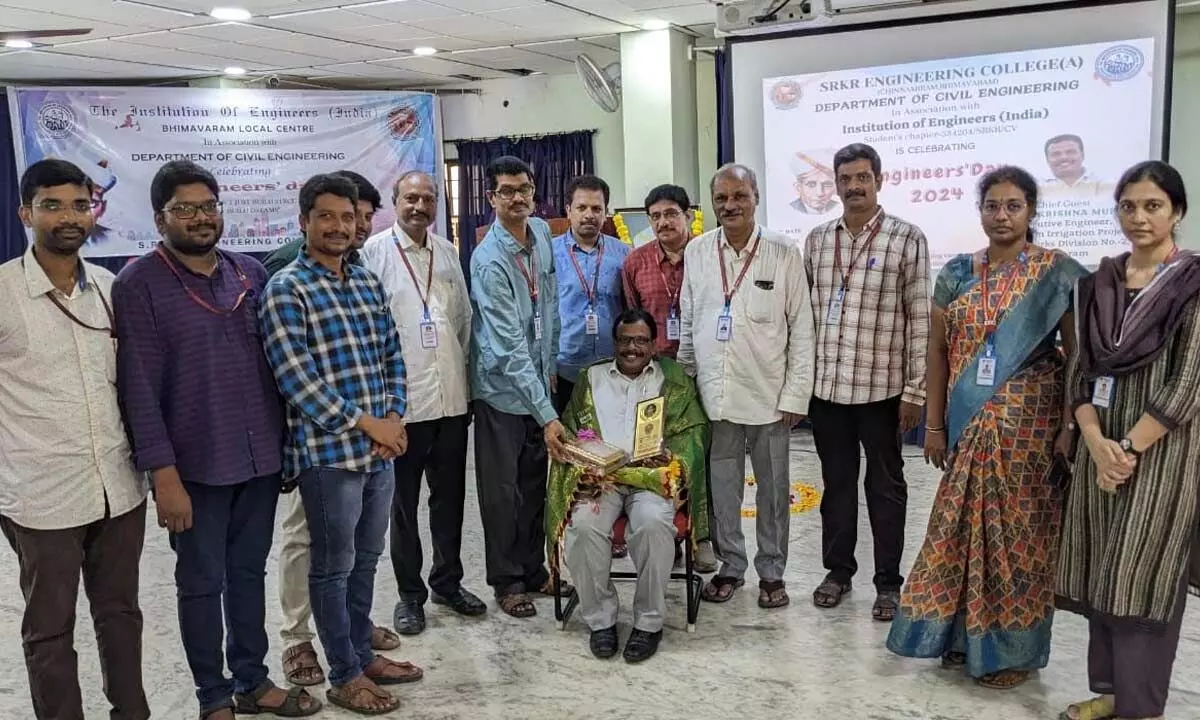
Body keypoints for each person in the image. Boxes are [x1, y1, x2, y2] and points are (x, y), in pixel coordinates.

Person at [112, 160, 317, 719]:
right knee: (201, 584)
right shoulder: (139, 284)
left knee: (249, 574)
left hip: (258, 460)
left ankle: (253, 680)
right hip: (195, 469)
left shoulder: (248, 273)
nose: (201, 218)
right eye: (186, 209)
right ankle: (213, 695)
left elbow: (279, 368)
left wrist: (287, 452)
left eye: (209, 206)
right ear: (161, 217)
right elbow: (138, 388)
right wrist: (163, 475)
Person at [885, 166, 1087, 689]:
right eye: (992, 205)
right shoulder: (955, 272)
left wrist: (1070, 426)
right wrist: (932, 426)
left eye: (1013, 206)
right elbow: (936, 350)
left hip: (1031, 433)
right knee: (959, 532)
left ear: (1031, 211)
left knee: (1019, 539)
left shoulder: (1057, 272)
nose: (1001, 215)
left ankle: (1013, 651)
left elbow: (1076, 357)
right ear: (980, 211)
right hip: (968, 425)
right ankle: (959, 636)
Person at [260, 173, 420, 716]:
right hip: (329, 455)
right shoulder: (286, 288)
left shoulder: (366, 281)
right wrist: (367, 424)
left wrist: (395, 416)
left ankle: (357, 651)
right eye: (326, 216)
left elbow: (392, 353)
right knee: (331, 566)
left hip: (380, 451)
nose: (338, 227)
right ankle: (345, 675)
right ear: (304, 221)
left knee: (367, 559)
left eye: (347, 217)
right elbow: (296, 379)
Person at [0, 159, 149, 720]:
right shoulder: (2, 292)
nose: (68, 216)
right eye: (52, 205)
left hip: (118, 489)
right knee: (49, 629)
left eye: (79, 205)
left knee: (121, 614)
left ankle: (131, 713)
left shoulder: (111, 290)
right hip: (41, 496)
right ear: (26, 213)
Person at [1056, 160, 1200, 720]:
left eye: (1153, 206)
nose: (1139, 217)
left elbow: (1189, 383)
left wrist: (1129, 450)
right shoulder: (1097, 285)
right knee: (1101, 567)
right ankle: (1109, 691)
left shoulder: (1191, 285)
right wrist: (1094, 441)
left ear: (1177, 212)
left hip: (1162, 457)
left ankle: (1140, 708)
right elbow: (1080, 374)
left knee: (1143, 573)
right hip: (1101, 454)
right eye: (1128, 206)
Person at [678, 163, 814, 609]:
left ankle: (772, 572)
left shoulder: (782, 252)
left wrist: (796, 395)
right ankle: (731, 565)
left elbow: (802, 329)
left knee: (774, 491)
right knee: (723, 488)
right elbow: (690, 319)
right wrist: (686, 384)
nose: (730, 205)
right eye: (722, 198)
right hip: (714, 396)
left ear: (756, 198)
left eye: (740, 196)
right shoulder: (698, 252)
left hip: (769, 397)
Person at [804, 143, 930, 621]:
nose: (854, 186)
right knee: (836, 487)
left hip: (883, 392)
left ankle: (888, 583)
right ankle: (837, 572)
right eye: (846, 179)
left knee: (886, 488)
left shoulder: (907, 238)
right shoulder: (817, 240)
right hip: (828, 390)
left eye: (863, 177)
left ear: (879, 180)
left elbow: (920, 319)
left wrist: (916, 391)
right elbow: (805, 319)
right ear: (835, 185)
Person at [360, 170, 487, 636]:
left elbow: (463, 325)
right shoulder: (373, 255)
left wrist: (465, 387)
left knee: (450, 499)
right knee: (403, 505)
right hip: (403, 408)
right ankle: (410, 595)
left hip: (451, 401)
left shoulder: (449, 253)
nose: (419, 206)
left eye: (428, 199)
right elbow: (370, 334)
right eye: (411, 198)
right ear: (395, 202)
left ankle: (447, 583)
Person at [546, 309, 710, 663]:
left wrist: (671, 455)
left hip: (650, 478)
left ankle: (649, 623)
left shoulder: (674, 377)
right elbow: (573, 431)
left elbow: (695, 432)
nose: (631, 348)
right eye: (624, 340)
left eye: (640, 341)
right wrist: (585, 466)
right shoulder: (592, 377)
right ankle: (601, 620)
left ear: (653, 344)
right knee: (584, 527)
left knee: (652, 524)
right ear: (614, 342)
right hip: (602, 480)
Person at [470, 155, 571, 618]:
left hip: (538, 386)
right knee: (502, 491)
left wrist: (548, 380)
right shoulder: (488, 261)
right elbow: (509, 344)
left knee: (534, 485)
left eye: (524, 188)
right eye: (506, 190)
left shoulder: (544, 235)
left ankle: (533, 568)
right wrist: (546, 413)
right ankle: (507, 580)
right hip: (503, 393)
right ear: (491, 198)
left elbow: (547, 309)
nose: (517, 197)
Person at [621, 184, 718, 573]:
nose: (663, 222)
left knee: (701, 459)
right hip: (655, 378)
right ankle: (666, 536)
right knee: (656, 455)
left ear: (688, 215)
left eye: (671, 214)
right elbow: (631, 323)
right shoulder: (636, 263)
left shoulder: (709, 255)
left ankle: (703, 538)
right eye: (655, 216)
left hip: (704, 373)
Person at [552, 174, 629, 415]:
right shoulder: (548, 253)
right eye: (581, 207)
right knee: (568, 442)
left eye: (597, 208)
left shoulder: (624, 254)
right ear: (568, 210)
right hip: (564, 367)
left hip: (612, 366)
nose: (589, 215)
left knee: (611, 440)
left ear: (606, 212)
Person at [262, 169, 380, 275]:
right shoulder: (286, 263)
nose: (362, 225)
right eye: (353, 215)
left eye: (368, 217)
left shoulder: (355, 263)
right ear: (304, 221)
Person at [789, 150, 840, 215]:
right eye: (811, 185)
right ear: (798, 188)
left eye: (827, 185)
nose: (820, 193)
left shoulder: (838, 207)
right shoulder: (789, 209)